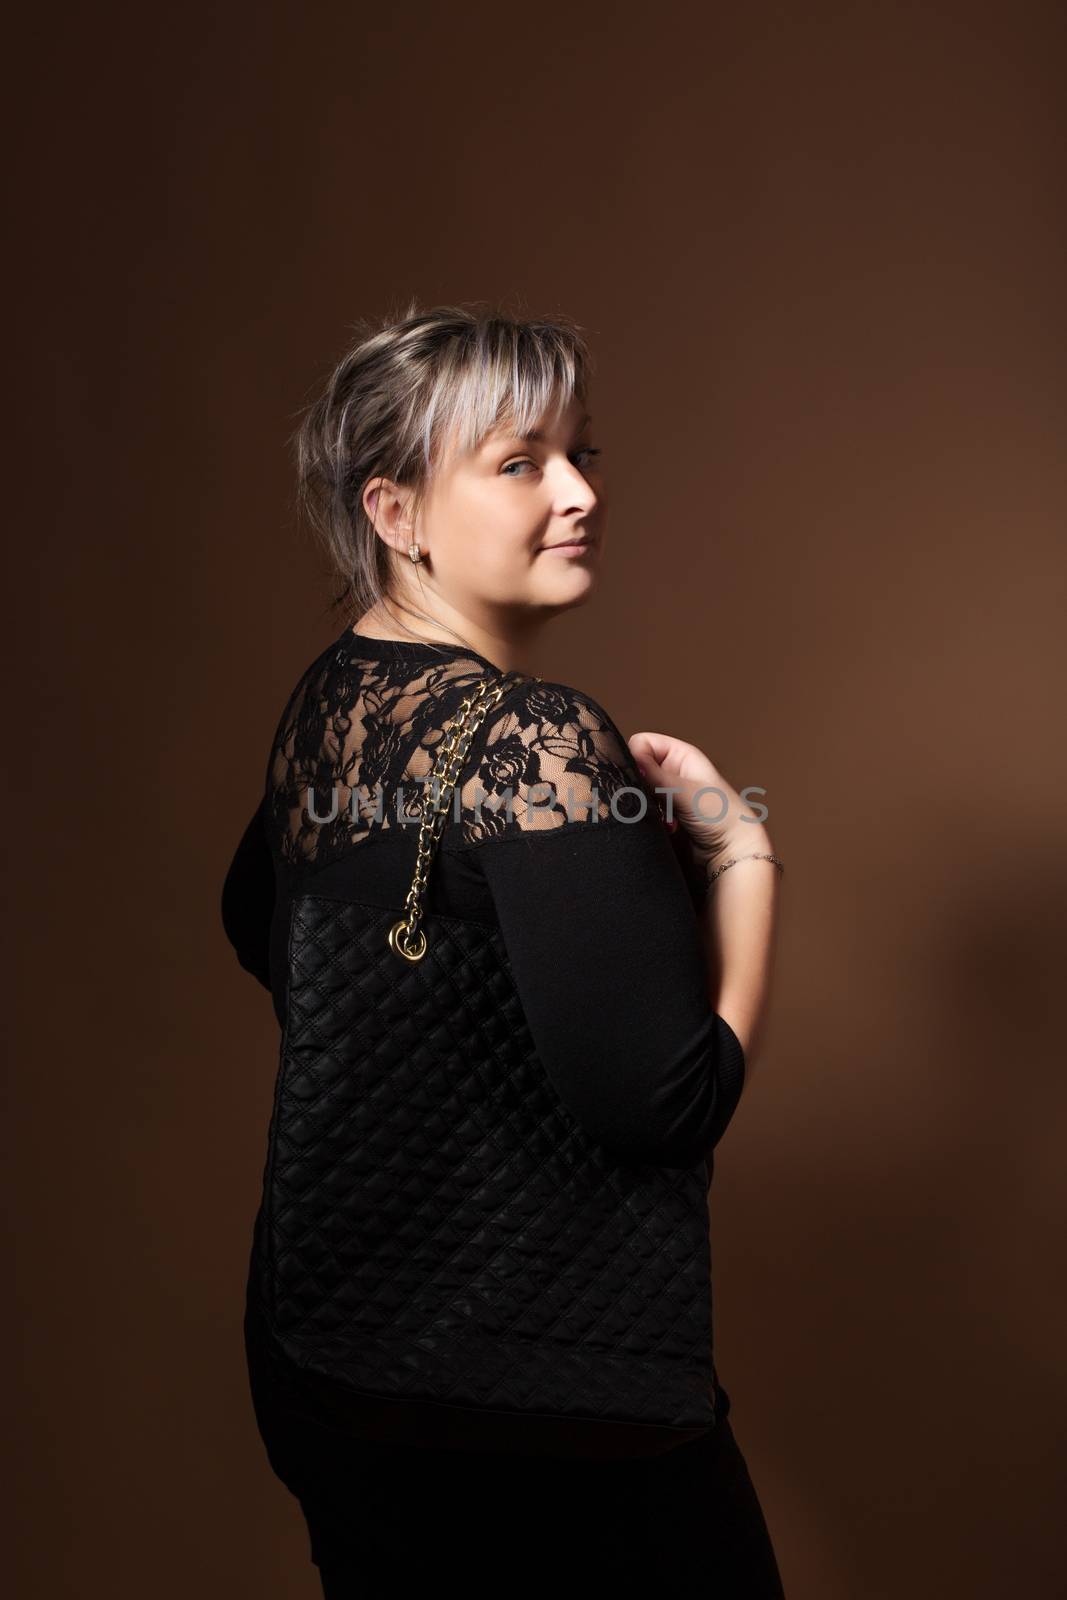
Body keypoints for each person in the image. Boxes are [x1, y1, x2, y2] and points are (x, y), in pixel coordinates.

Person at [221, 301, 786, 1596]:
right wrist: (744, 865)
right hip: (537, 1405)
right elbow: (667, 1103)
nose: (581, 492)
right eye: (521, 462)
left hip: (329, 1350)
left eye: (582, 452)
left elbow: (259, 925)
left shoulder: (332, 707)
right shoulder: (536, 743)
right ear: (396, 513)